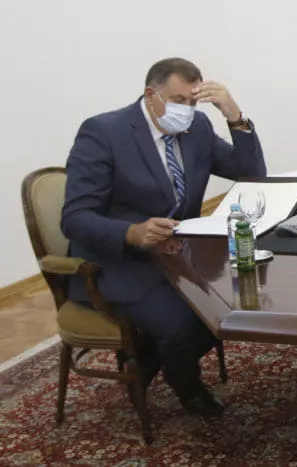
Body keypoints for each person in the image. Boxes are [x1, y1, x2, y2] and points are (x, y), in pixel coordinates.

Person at [61, 58, 266, 417]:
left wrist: (234, 116)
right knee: (184, 322)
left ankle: (150, 356)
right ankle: (185, 384)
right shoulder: (104, 132)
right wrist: (131, 232)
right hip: (120, 262)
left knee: (234, 302)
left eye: (193, 101)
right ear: (150, 95)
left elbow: (250, 174)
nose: (186, 110)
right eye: (178, 100)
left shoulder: (196, 126)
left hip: (179, 255)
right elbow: (75, 217)